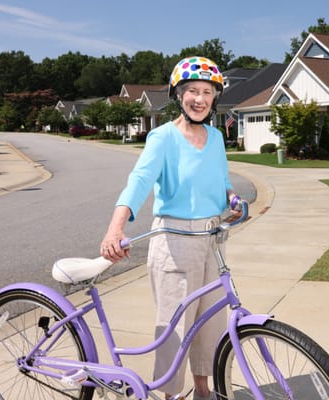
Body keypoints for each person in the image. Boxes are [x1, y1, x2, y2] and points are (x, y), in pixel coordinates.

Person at [100, 56, 240, 400]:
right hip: (175, 242)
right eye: (192, 90)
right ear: (178, 94)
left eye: (207, 92)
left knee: (212, 324)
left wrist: (233, 199)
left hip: (213, 240)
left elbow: (222, 181)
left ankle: (204, 391)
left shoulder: (217, 137)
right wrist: (115, 228)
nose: (199, 98)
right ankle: (171, 396)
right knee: (175, 329)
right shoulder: (162, 138)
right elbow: (139, 182)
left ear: (214, 98)